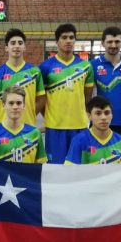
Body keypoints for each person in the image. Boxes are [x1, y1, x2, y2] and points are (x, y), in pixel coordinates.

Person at [39, 23, 95, 164]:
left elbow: (87, 98)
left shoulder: (86, 66)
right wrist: (50, 117)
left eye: (71, 37)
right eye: (64, 37)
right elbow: (41, 99)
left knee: (79, 167)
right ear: (57, 41)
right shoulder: (45, 67)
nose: (68, 41)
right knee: (56, 167)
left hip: (79, 125)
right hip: (55, 127)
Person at [90, 27, 121, 144]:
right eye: (109, 42)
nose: (113, 45)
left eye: (117, 41)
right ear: (103, 43)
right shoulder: (92, 65)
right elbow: (86, 95)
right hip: (99, 123)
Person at [0, 28, 43, 127]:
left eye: (20, 43)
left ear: (24, 47)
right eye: (13, 43)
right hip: (4, 127)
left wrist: (30, 114)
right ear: (6, 48)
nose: (17, 46)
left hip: (27, 126)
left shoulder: (35, 72)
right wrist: (2, 114)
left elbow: (41, 100)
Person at [0, 85, 47, 164]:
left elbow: (42, 166)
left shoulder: (35, 134)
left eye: (19, 103)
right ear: (3, 105)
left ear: (24, 105)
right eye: (11, 103)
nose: (15, 107)